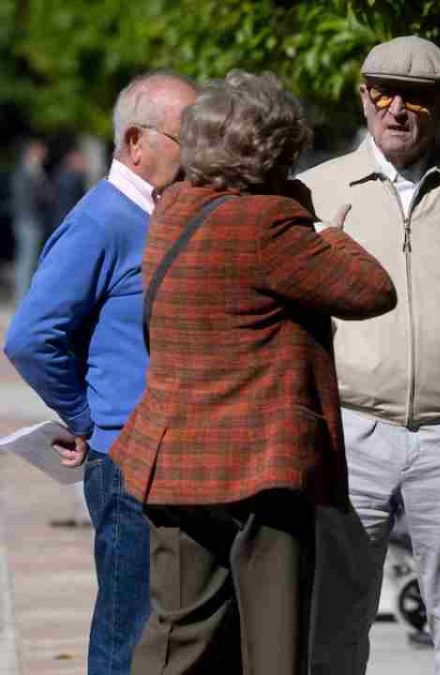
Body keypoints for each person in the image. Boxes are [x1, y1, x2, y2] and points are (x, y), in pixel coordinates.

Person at [109, 70, 396, 674]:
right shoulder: (270, 226)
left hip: (176, 458)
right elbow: (372, 289)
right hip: (260, 466)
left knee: (177, 634)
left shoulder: (173, 208)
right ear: (280, 151)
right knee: (274, 645)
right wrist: (324, 228)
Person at [298, 35, 440, 675]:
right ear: (365, 97)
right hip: (352, 434)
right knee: (335, 623)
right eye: (384, 93)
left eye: (417, 98)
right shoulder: (316, 189)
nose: (397, 109)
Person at [3, 72, 197, 674]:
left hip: (167, 455)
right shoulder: (103, 221)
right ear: (137, 143)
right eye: (188, 135)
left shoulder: (155, 214)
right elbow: (31, 338)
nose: (202, 150)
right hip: (127, 462)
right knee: (127, 635)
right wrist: (87, 415)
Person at [7, 138, 52, 300]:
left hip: (31, 220)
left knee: (30, 260)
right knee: (26, 260)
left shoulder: (33, 172)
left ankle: (25, 295)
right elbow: (35, 197)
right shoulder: (27, 173)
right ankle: (22, 297)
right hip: (27, 221)